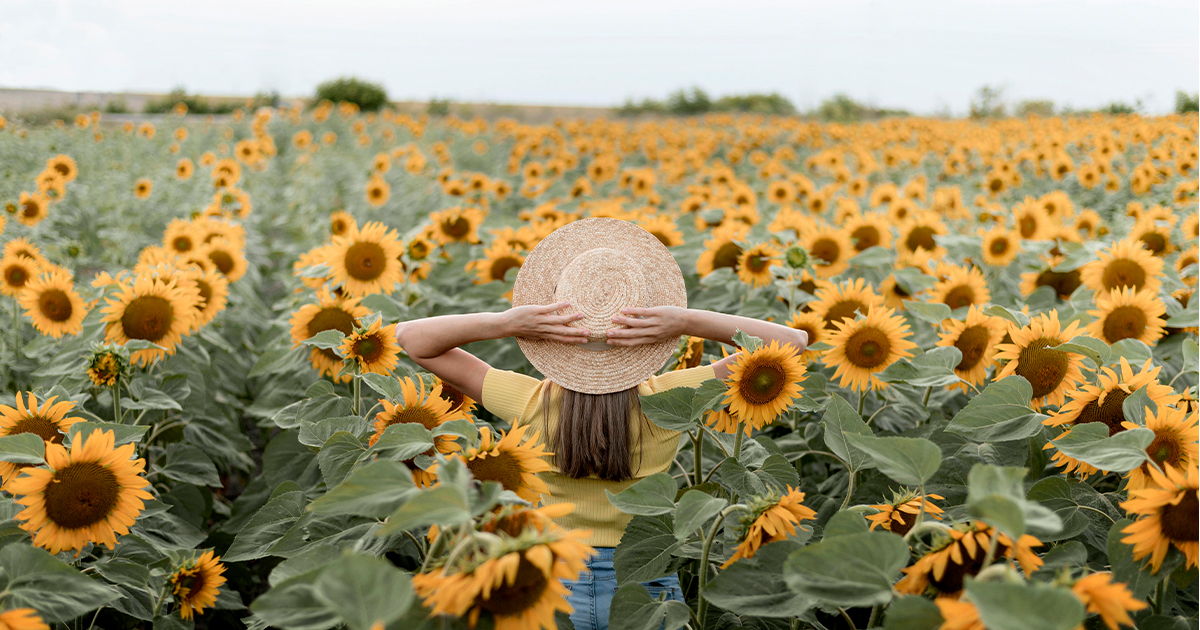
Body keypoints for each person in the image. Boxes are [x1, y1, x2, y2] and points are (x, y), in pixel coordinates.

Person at [395, 218, 807, 630]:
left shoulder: (529, 401)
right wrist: (684, 321)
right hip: (646, 583)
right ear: (648, 331)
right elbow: (791, 344)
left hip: (549, 582)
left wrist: (507, 322)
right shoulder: (674, 399)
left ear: (553, 329)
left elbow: (413, 339)